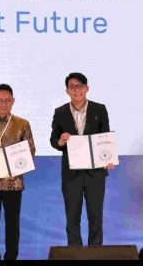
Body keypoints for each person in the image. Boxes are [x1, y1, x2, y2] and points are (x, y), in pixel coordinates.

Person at [50, 72, 114, 246]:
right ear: (67, 90)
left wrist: (108, 158)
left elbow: (105, 137)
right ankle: (74, 253)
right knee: (72, 217)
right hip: (71, 174)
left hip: (96, 173)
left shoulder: (99, 109)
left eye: (80, 86)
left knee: (96, 216)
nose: (76, 90)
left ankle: (96, 253)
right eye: (72, 87)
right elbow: (53, 139)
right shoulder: (60, 112)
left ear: (87, 88)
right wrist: (60, 142)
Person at [0, 84, 35, 260]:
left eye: (7, 101)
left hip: (13, 182)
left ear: (13, 101)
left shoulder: (23, 123)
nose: (3, 104)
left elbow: (31, 150)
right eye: (0, 101)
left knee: (12, 225)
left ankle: (11, 257)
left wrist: (20, 161)